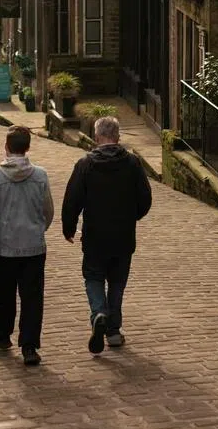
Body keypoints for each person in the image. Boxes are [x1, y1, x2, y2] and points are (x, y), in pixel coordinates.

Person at [61, 115, 152, 354]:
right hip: (123, 236)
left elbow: (72, 200)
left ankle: (99, 312)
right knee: (117, 283)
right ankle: (112, 331)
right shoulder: (132, 163)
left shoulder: (86, 164)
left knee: (93, 277)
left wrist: (68, 227)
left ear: (97, 136)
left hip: (95, 236)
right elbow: (145, 199)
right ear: (118, 137)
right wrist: (131, 217)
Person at [0, 125, 54, 367]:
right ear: (27, 147)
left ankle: (3, 334)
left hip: (5, 246)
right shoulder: (40, 175)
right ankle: (29, 345)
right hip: (34, 247)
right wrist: (38, 228)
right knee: (32, 297)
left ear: (7, 148)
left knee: (5, 293)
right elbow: (47, 210)